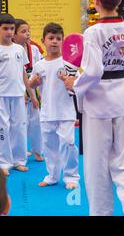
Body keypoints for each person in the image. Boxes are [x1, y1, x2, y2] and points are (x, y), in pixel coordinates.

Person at [63, 0, 124, 216]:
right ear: (119, 0)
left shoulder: (93, 32)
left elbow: (94, 71)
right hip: (121, 98)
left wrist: (73, 84)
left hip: (98, 106)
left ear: (95, 0)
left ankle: (101, 213)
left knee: (97, 165)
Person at [29, 23, 79, 189]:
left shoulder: (69, 64)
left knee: (69, 143)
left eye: (58, 38)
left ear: (63, 41)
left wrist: (71, 82)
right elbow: (32, 84)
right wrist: (33, 84)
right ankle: (52, 175)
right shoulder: (39, 65)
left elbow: (78, 84)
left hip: (66, 111)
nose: (54, 42)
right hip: (47, 112)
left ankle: (71, 177)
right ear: (43, 40)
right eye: (51, 38)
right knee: (49, 147)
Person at [0, 13, 39, 176]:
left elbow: (23, 73)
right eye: (5, 29)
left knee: (19, 128)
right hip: (1, 94)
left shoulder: (19, 49)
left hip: (18, 94)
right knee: (3, 128)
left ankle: (19, 160)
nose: (9, 32)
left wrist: (32, 94)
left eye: (11, 29)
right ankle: (4, 162)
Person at [13, 19, 44, 162]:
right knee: (20, 124)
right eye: (23, 31)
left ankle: (38, 151)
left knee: (36, 122)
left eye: (28, 31)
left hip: (34, 90)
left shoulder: (35, 49)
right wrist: (24, 91)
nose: (27, 34)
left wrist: (35, 91)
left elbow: (40, 69)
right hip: (19, 91)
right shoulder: (12, 50)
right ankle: (20, 150)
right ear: (14, 35)